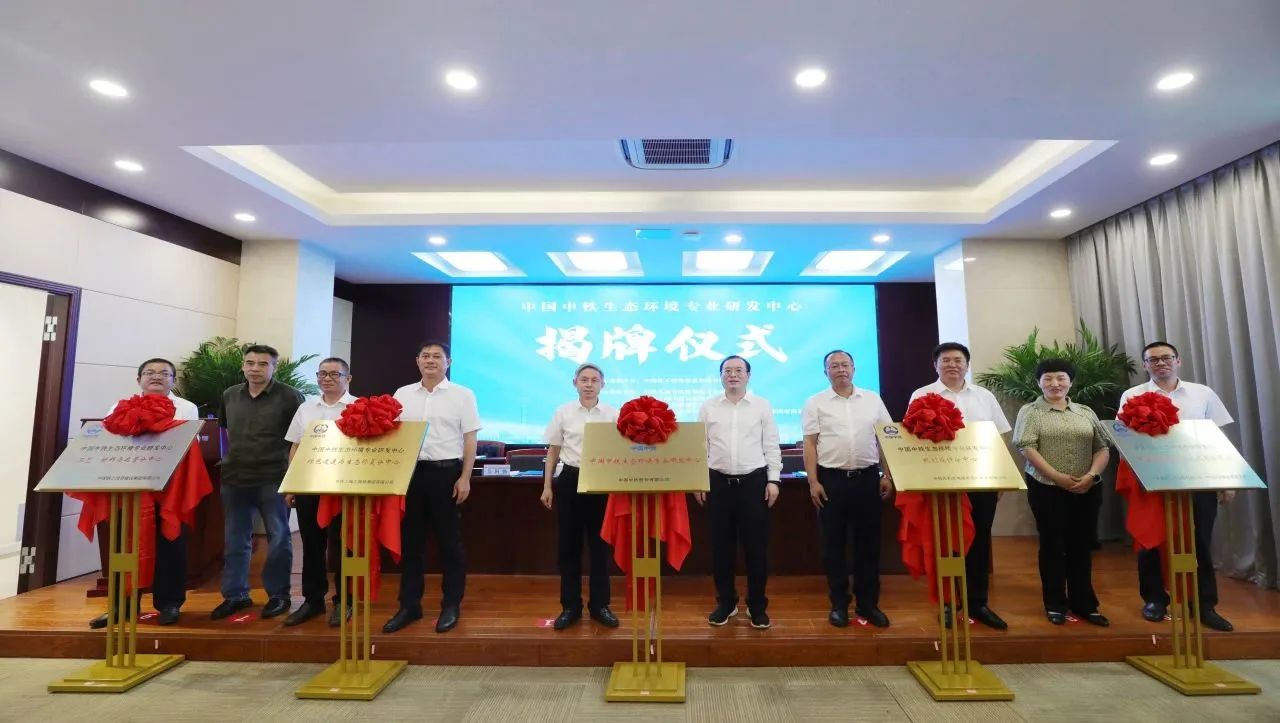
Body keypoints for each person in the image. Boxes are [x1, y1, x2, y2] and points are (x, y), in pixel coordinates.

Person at [1119, 341, 1236, 632]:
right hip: (1153, 480)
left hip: (1199, 479)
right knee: (1151, 541)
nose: (1160, 363)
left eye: (1166, 357)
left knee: (1200, 541)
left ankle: (1204, 605)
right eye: (1153, 359)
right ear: (1145, 365)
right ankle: (1155, 600)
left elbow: (1219, 438)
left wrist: (1226, 478)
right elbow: (1123, 437)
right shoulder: (1133, 395)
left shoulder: (1202, 393)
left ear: (1178, 360)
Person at [89, 358, 200, 629]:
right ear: (139, 379)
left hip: (169, 488)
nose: (156, 377)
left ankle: (169, 604)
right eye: (149, 372)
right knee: (124, 545)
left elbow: (189, 445)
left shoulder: (185, 408)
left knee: (170, 544)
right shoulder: (120, 406)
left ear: (173, 380)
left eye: (164, 373)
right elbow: (109, 441)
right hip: (129, 486)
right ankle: (122, 606)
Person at [909, 342, 1013, 630]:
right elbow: (913, 438)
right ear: (935, 365)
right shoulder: (922, 395)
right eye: (945, 360)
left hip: (981, 481)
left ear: (967, 365)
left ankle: (978, 603)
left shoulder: (984, 396)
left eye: (958, 360)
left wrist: (1000, 476)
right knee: (946, 544)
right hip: (942, 483)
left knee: (979, 541)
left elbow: (1000, 437)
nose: (952, 365)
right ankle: (948, 603)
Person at [385, 341, 480, 634]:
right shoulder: (402, 394)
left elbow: (470, 439)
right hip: (411, 474)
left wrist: (465, 477)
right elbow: (392, 433)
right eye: (425, 356)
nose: (430, 360)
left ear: (448, 362)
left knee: (450, 543)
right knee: (411, 543)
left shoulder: (462, 395)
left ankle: (451, 605)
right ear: (417, 361)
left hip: (446, 474)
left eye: (437, 356)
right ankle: (409, 605)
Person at [1012, 358, 1111, 627]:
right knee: (1053, 545)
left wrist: (1091, 476)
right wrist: (1056, 477)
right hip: (1046, 488)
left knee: (1082, 545)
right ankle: (1055, 603)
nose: (1055, 383)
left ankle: (1084, 604)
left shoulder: (1085, 411)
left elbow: (1102, 447)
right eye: (1048, 379)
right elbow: (1026, 447)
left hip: (1087, 488)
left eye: (1061, 378)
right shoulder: (1031, 411)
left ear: (1070, 382)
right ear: (1038, 383)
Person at [802, 350, 894, 629]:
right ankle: (839, 605)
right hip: (831, 481)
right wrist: (813, 481)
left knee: (869, 545)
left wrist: (887, 474)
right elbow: (810, 444)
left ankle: (869, 605)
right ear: (825, 372)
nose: (840, 369)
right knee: (833, 547)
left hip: (868, 480)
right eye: (834, 366)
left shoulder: (872, 399)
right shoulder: (815, 402)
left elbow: (886, 438)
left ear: (854, 369)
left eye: (845, 365)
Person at [214, 344, 304, 621]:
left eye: (263, 364)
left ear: (274, 367)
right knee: (235, 540)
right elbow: (226, 432)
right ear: (243, 366)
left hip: (273, 477)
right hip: (235, 477)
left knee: (279, 538)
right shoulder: (230, 395)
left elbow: (299, 439)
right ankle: (236, 595)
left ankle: (279, 595)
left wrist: (293, 479)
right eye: (250, 363)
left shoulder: (290, 396)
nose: (255, 369)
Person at [695, 355, 782, 629]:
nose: (733, 375)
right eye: (728, 371)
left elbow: (771, 445)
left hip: (753, 484)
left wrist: (774, 480)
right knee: (721, 549)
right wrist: (698, 480)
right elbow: (699, 447)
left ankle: (757, 606)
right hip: (718, 483)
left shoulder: (761, 406)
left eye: (738, 370)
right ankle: (726, 602)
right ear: (721, 376)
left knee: (756, 549)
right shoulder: (708, 407)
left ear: (748, 375)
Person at [539, 363, 620, 631]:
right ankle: (570, 607)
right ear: (575, 383)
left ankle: (600, 606)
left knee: (600, 548)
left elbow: (622, 451)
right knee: (568, 548)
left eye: (594, 380)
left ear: (602, 385)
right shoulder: (563, 412)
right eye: (584, 379)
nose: (589, 384)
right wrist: (547, 486)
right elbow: (553, 451)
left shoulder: (613, 414)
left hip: (601, 482)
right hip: (570, 480)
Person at [281, 357, 358, 627]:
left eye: (335, 374)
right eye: (322, 373)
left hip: (345, 486)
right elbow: (295, 447)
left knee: (344, 546)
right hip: (310, 484)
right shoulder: (306, 408)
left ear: (348, 379)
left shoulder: (359, 407)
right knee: (312, 544)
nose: (327, 378)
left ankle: (345, 601)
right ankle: (313, 600)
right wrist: (292, 483)